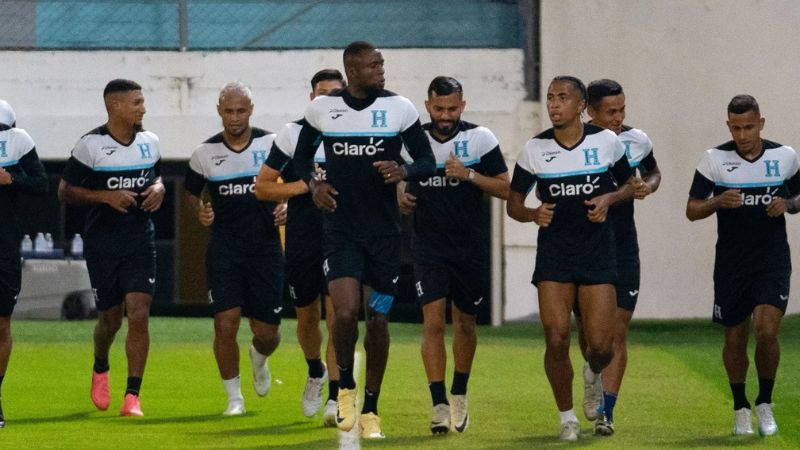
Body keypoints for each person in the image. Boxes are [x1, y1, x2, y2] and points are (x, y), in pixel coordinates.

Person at [292, 41, 435, 439]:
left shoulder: (400, 108)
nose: (381, 70)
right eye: (374, 65)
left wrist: (403, 169)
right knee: (343, 312)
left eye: (382, 63)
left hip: (385, 237)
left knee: (379, 319)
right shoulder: (323, 109)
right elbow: (300, 159)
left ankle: (371, 408)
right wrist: (313, 184)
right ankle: (344, 390)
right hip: (340, 232)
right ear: (353, 71)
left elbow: (427, 160)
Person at [506, 76, 632, 441]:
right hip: (555, 255)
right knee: (556, 337)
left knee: (601, 346)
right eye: (549, 98)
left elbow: (629, 185)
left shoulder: (606, 142)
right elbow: (514, 203)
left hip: (597, 253)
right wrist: (533, 214)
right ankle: (567, 419)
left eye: (562, 98)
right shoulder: (535, 149)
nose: (554, 104)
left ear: (581, 106)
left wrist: (609, 199)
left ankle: (592, 375)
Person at [397, 76, 509, 434]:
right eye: (439, 108)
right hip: (428, 247)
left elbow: (508, 188)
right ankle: (439, 403)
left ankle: (460, 392)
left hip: (469, 248)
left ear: (463, 106)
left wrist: (470, 174)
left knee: (465, 323)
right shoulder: (412, 141)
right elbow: (392, 177)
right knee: (432, 323)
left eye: (452, 108)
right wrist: (399, 190)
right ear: (428, 106)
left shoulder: (480, 139)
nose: (445, 115)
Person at [686, 95, 799, 437]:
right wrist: (718, 201)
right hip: (732, 264)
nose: (743, 134)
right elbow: (692, 209)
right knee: (735, 338)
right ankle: (740, 407)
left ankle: (764, 401)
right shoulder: (714, 160)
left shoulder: (785, 157)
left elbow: (799, 197)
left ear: (761, 123)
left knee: (766, 331)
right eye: (736, 128)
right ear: (728, 126)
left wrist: (788, 204)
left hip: (771, 260)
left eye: (749, 127)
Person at [59, 79, 165, 417]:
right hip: (103, 242)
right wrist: (104, 196)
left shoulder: (150, 141)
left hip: (140, 239)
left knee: (139, 312)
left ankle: (132, 396)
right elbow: (65, 191)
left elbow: (156, 178)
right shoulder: (90, 145)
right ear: (115, 106)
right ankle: (101, 365)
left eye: (142, 102)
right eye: (136, 102)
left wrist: (160, 187)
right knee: (110, 318)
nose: (143, 108)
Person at [184, 82, 285, 416]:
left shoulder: (273, 144)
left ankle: (260, 358)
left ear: (251, 110)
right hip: (225, 249)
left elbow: (299, 183)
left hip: (266, 250)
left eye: (241, 111)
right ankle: (234, 399)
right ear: (219, 111)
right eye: (229, 111)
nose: (235, 118)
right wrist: (199, 209)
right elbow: (190, 192)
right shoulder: (204, 153)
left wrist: (287, 205)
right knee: (225, 322)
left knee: (268, 334)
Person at [255, 69, 345, 425]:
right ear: (311, 98)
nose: (327, 99)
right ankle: (315, 371)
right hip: (303, 237)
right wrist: (302, 189)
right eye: (322, 93)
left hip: (341, 237)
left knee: (340, 314)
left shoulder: (353, 134)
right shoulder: (292, 134)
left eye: (335, 93)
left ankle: (337, 398)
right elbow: (262, 187)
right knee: (307, 316)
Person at [576, 79, 661, 435]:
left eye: (622, 109)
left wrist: (647, 186)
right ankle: (592, 370)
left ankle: (608, 412)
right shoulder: (571, 141)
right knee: (591, 338)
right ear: (589, 112)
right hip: (582, 247)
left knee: (617, 331)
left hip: (623, 245)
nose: (618, 117)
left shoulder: (636, 140)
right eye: (610, 111)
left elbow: (654, 173)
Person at [0, 99, 48, 428]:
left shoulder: (19, 141)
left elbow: (42, 184)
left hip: (4, 247)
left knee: (2, 324)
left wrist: (11, 180)